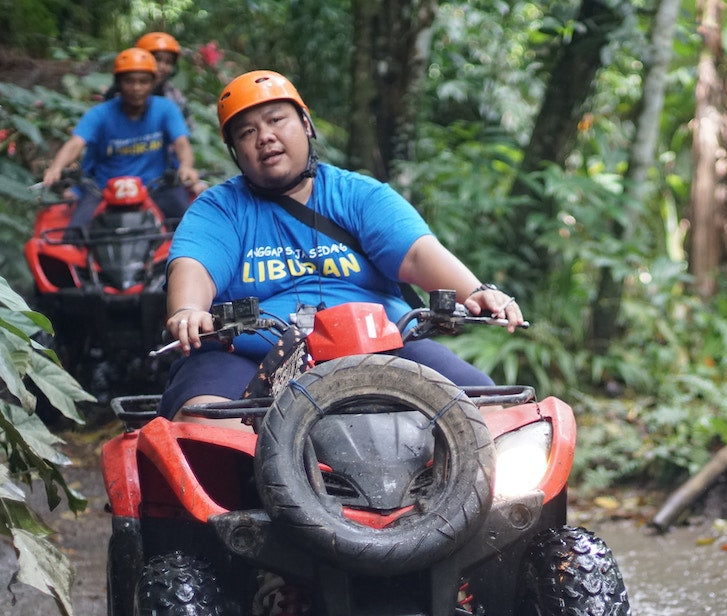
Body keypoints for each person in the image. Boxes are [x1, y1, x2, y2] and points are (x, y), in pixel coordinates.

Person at [158, 70, 523, 427]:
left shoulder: (357, 194)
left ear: (305, 124)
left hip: (381, 345)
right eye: (247, 132)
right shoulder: (219, 208)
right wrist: (189, 309)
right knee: (201, 422)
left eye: (276, 120)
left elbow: (416, 253)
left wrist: (475, 291)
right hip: (247, 354)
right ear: (235, 150)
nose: (265, 137)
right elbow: (195, 266)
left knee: (491, 409)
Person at [42, 47, 199, 233]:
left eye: (143, 81)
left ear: (153, 83)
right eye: (129, 81)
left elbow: (181, 143)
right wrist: (56, 168)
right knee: (74, 235)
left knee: (190, 229)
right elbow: (76, 143)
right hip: (103, 189)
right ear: (118, 83)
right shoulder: (100, 114)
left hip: (156, 186)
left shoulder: (166, 109)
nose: (136, 88)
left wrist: (186, 166)